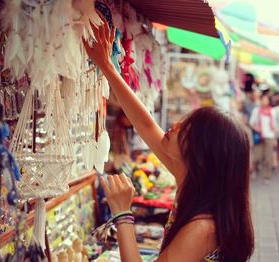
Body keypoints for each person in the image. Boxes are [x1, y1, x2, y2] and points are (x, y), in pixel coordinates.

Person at [83, 20, 254, 261]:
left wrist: (122, 213)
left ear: (200, 155)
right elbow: (145, 124)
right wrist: (107, 66)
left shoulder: (203, 228)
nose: (174, 126)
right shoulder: (190, 178)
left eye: (185, 129)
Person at [249, 94, 277, 182]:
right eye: (263, 99)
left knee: (268, 158)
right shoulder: (256, 111)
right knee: (257, 157)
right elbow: (251, 123)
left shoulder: (272, 111)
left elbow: (275, 126)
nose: (264, 101)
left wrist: (275, 138)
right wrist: (257, 129)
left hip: (269, 137)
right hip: (259, 136)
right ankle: (254, 170)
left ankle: (267, 176)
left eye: (266, 99)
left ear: (269, 101)